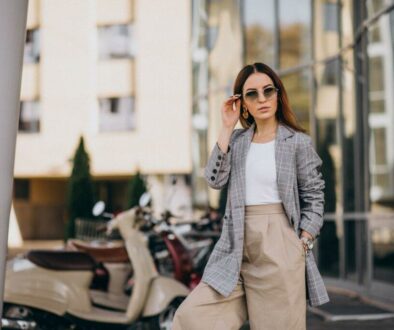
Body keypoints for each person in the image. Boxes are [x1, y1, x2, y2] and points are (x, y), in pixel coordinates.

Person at [172, 62, 329, 330]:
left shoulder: (297, 142)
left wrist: (303, 241)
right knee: (192, 317)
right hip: (235, 246)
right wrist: (226, 128)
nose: (262, 98)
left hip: (280, 247)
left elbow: (314, 196)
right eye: (252, 94)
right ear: (243, 103)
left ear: (278, 95)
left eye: (268, 90)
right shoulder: (238, 141)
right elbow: (214, 179)